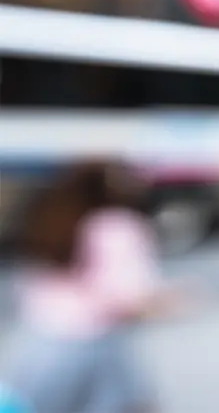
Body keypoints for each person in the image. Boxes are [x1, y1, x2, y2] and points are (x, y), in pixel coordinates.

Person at [4, 160, 174, 413]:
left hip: (42, 346)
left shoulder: (48, 216)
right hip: (97, 345)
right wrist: (173, 300)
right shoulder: (116, 225)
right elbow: (129, 298)